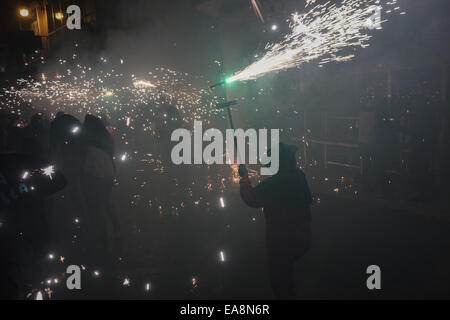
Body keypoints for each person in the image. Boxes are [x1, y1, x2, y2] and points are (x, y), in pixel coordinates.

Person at [238, 143, 312, 299]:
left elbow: (252, 198)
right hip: (303, 237)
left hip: (282, 242)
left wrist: (244, 178)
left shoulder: (276, 183)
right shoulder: (299, 176)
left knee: (281, 282)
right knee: (293, 275)